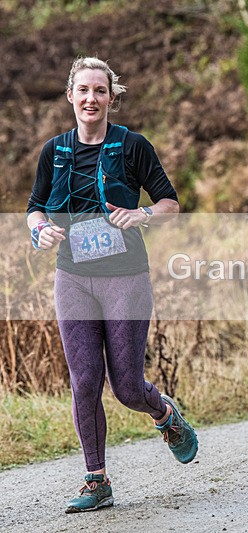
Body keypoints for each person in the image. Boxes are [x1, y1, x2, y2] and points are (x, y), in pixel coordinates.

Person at [26, 57, 197, 513]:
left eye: (100, 91)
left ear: (112, 97)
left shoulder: (133, 145)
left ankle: (165, 414)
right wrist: (39, 230)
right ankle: (96, 479)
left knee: (125, 387)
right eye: (83, 90)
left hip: (126, 279)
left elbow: (170, 203)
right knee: (84, 382)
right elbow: (35, 207)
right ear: (70, 95)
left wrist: (141, 214)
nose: (91, 99)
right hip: (73, 278)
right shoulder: (54, 151)